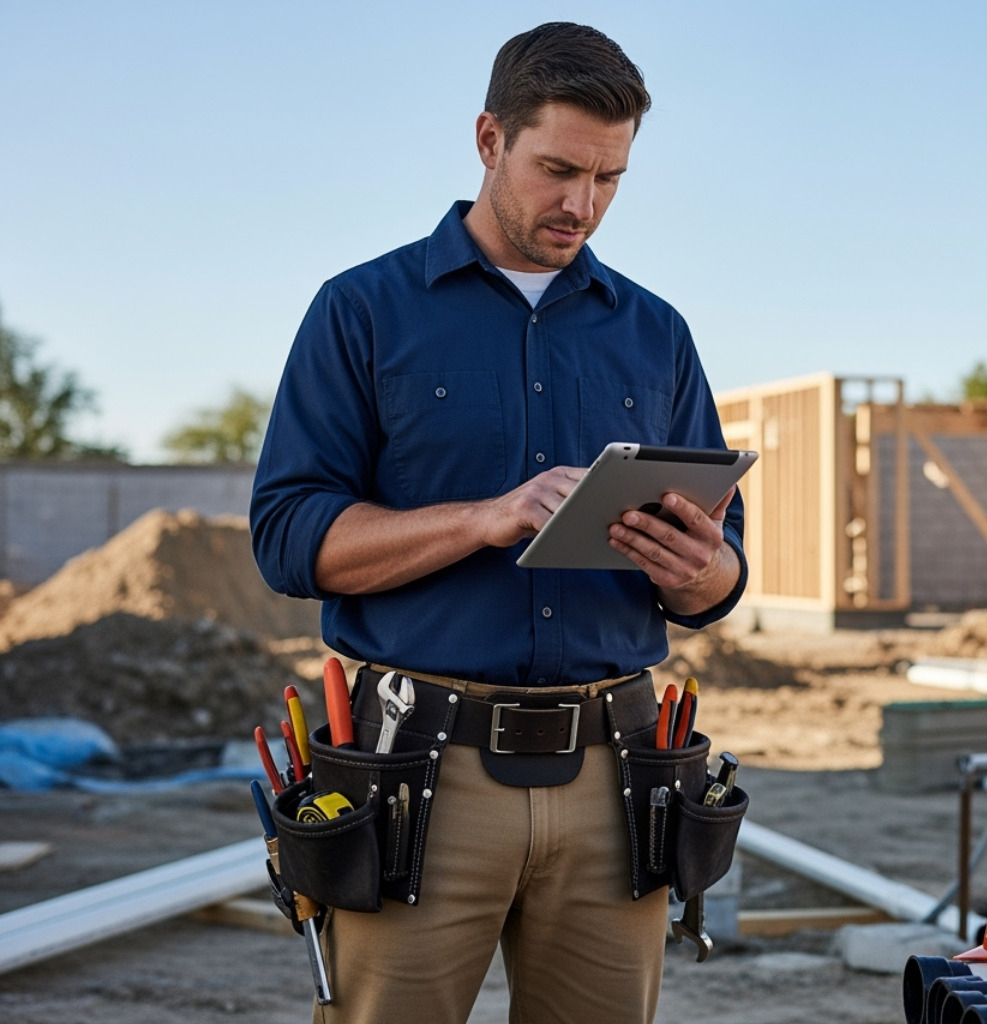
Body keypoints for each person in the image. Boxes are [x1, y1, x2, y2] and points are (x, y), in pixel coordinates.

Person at [250, 22, 746, 1024]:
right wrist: (484, 519)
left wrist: (700, 572)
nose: (583, 205)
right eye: (558, 169)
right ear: (488, 139)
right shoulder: (362, 311)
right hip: (417, 773)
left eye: (609, 177)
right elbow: (289, 537)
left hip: (620, 775)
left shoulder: (657, 335)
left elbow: (724, 582)